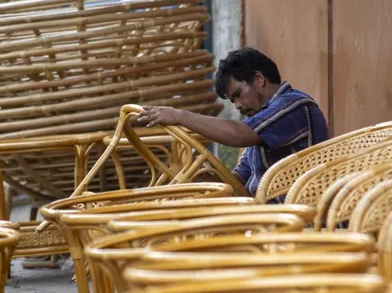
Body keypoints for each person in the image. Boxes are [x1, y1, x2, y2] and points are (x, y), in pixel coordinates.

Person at [137, 47, 329, 199]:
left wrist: (180, 116)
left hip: (301, 222)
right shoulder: (260, 123)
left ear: (259, 79)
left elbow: (239, 134)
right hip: (269, 221)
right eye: (233, 101)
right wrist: (202, 175)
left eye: (238, 95)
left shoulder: (293, 106)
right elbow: (237, 180)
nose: (237, 105)